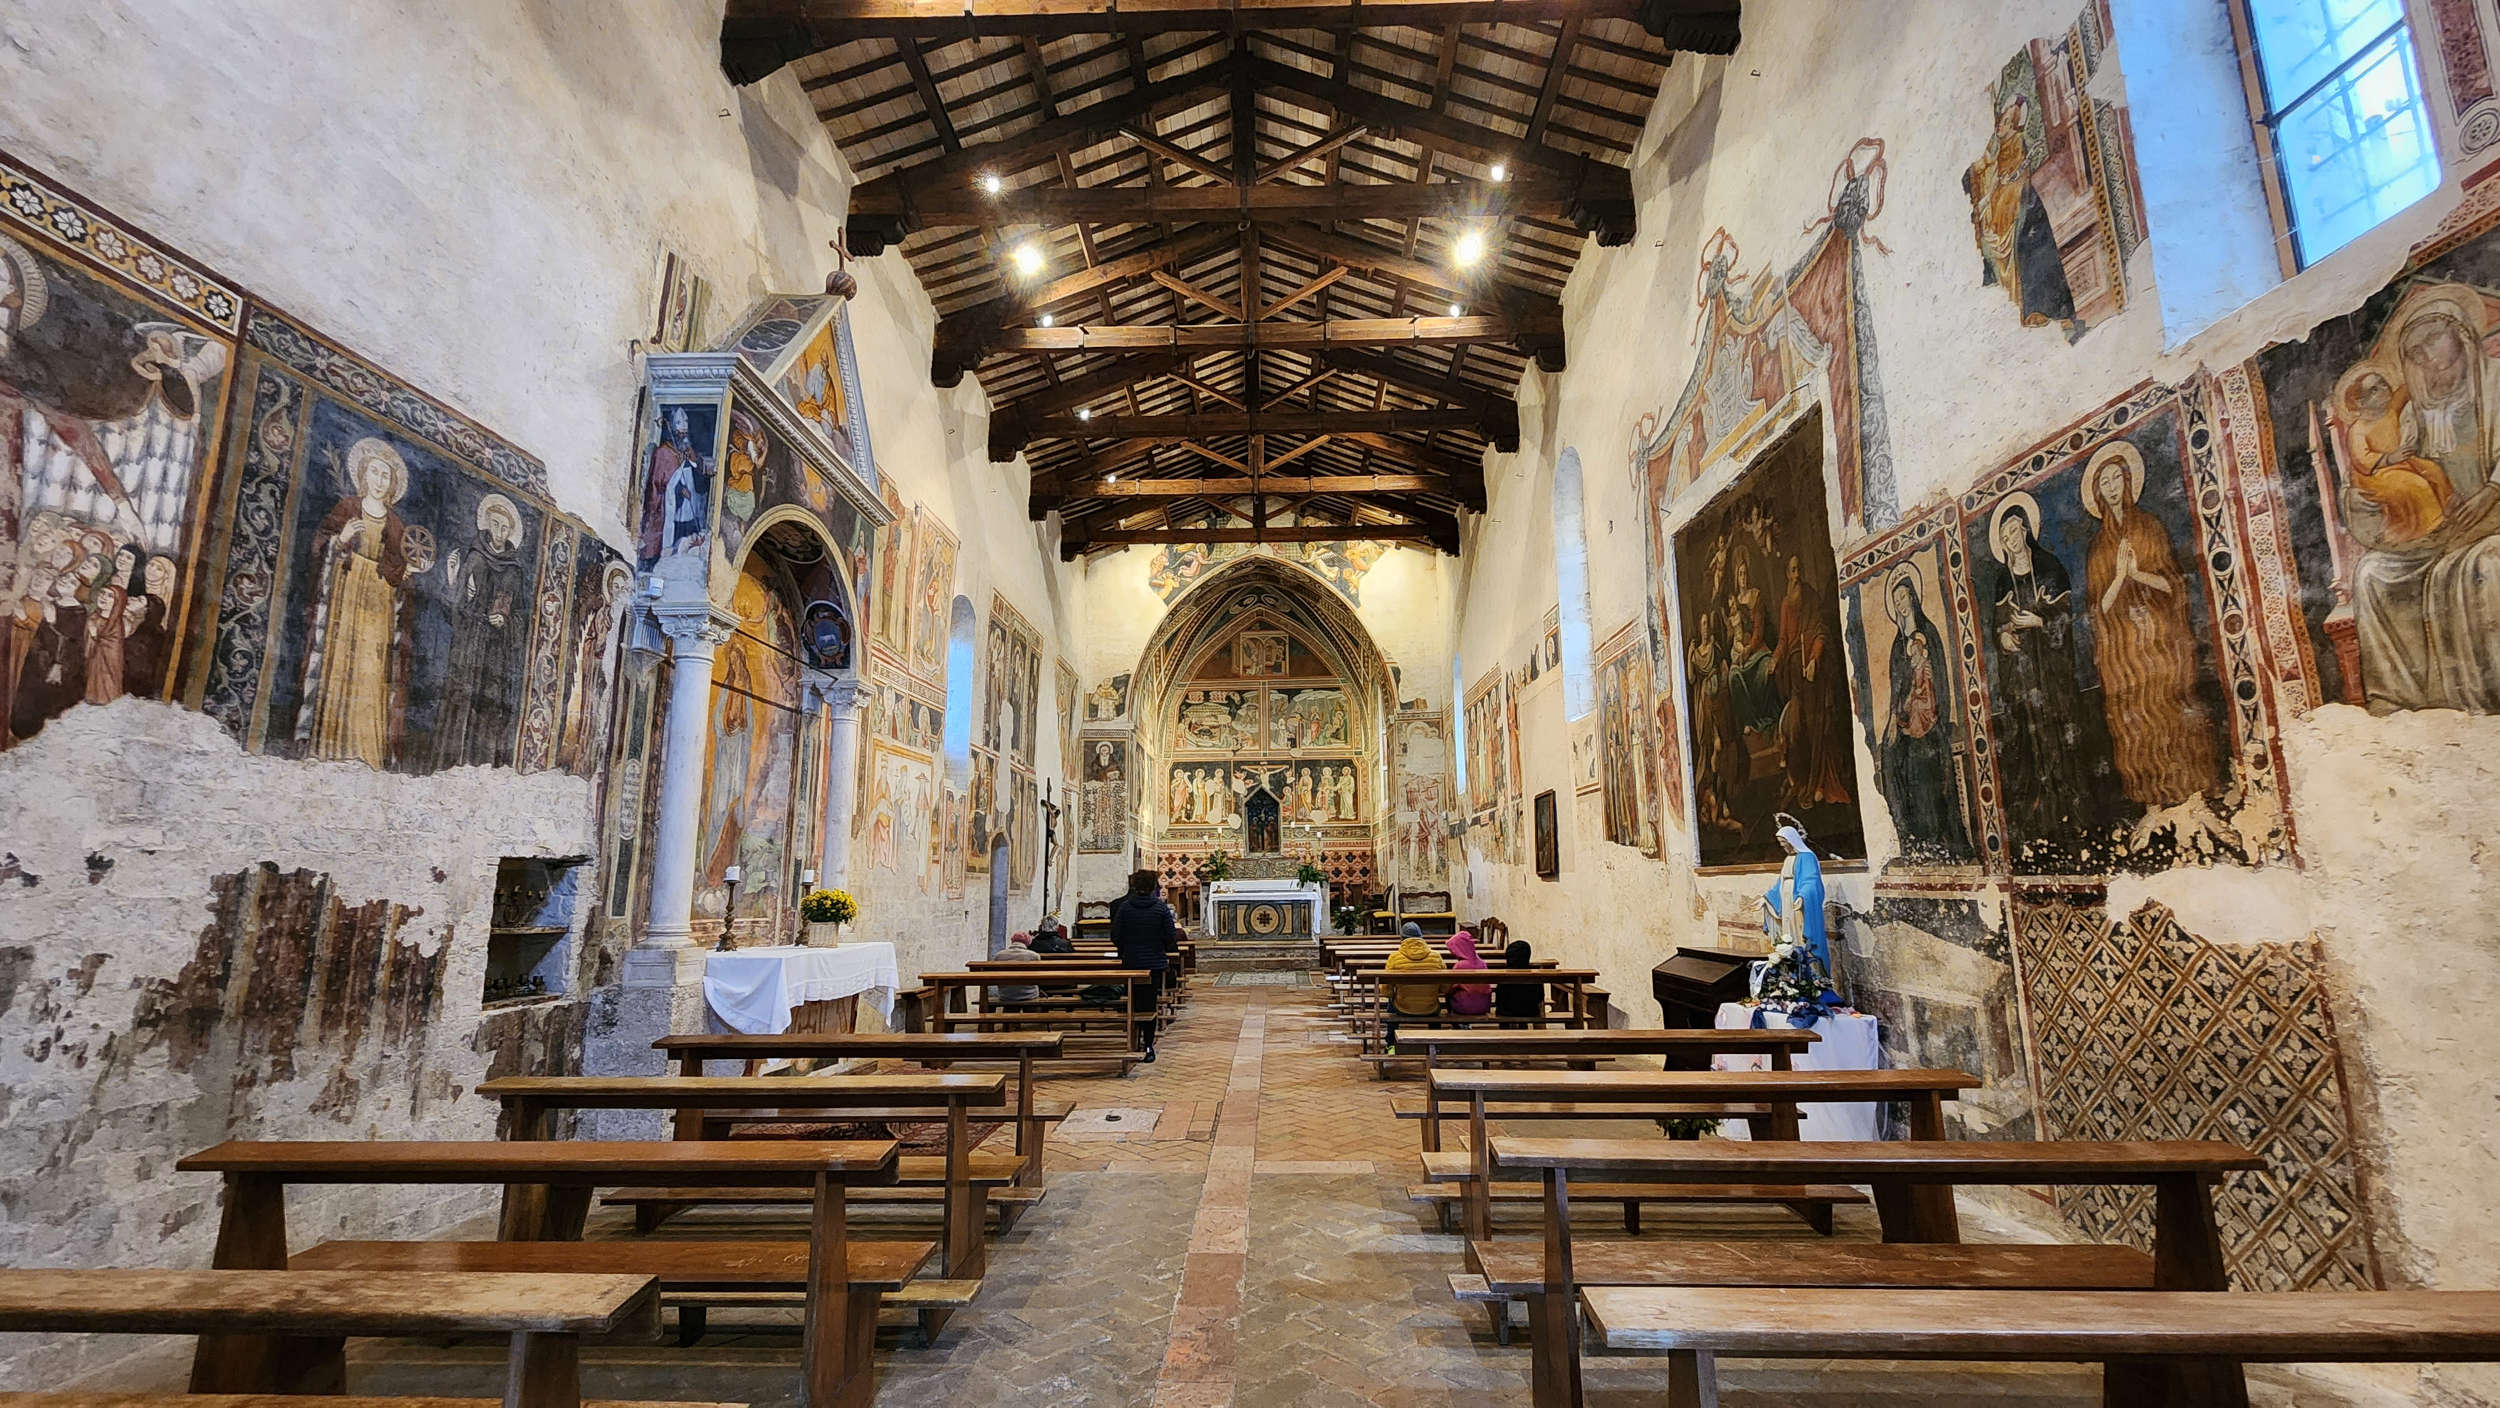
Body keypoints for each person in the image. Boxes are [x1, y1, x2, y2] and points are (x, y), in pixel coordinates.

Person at [1109, 868, 1179, 1062]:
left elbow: (1115, 935)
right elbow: (1170, 936)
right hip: (1154, 963)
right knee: (1149, 1004)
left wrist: (1126, 948)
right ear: (1152, 887)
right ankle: (1148, 1045)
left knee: (1132, 1002)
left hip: (1131, 961)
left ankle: (1132, 1040)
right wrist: (1160, 947)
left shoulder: (1124, 908)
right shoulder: (1160, 908)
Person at [1381, 924, 1446, 1053]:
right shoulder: (1436, 957)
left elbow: (1386, 990)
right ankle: (1436, 1044)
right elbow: (1444, 987)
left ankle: (1391, 1045)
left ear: (1402, 939)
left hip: (1403, 1007)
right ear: (1421, 937)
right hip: (1430, 1008)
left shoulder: (1394, 958)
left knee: (1391, 1005)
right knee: (1435, 1005)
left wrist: (1392, 995)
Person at [985, 931, 1044, 1006]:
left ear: (1012, 941)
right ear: (1027, 942)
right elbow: (1038, 977)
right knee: (1033, 1008)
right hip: (1029, 994)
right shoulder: (1034, 956)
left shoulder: (999, 956)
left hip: (1006, 995)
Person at [1492, 940, 1543, 1024]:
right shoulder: (1535, 976)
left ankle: (1504, 1031)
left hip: (1506, 1012)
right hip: (1531, 1011)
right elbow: (1540, 996)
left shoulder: (1505, 977)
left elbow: (1499, 998)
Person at [1445, 931, 1492, 1017]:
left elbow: (1450, 988)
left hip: (1465, 1007)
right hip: (1484, 1005)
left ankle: (1455, 1022)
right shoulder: (1482, 963)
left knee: (1448, 994)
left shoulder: (1460, 965)